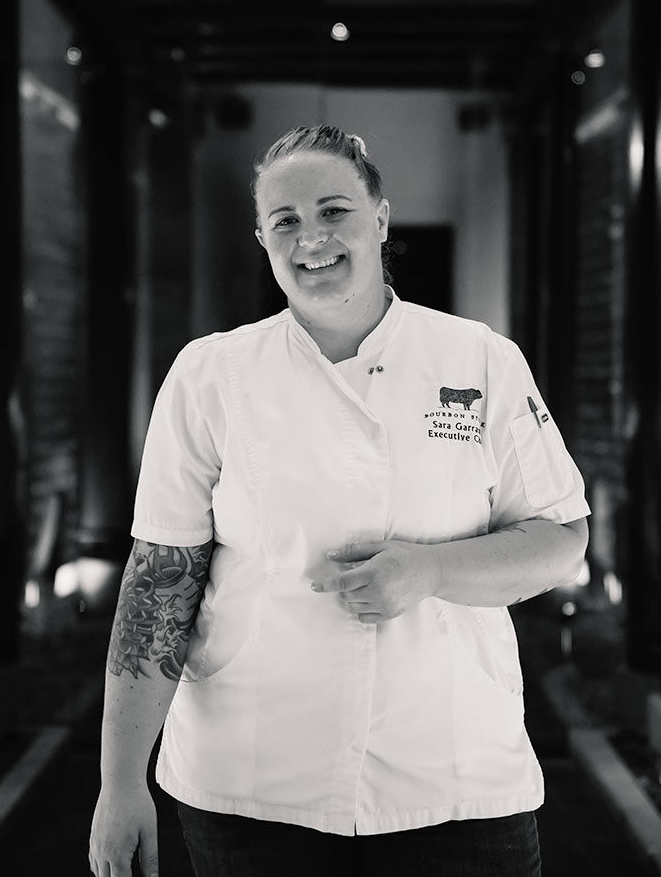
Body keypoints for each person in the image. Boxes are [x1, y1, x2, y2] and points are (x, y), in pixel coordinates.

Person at [89, 124, 590, 877]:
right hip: (251, 786)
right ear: (262, 238)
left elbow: (560, 537)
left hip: (454, 783)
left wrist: (428, 573)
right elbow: (159, 580)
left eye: (334, 212)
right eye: (285, 221)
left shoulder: (478, 358)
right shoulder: (210, 374)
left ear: (379, 220)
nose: (310, 238)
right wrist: (119, 783)